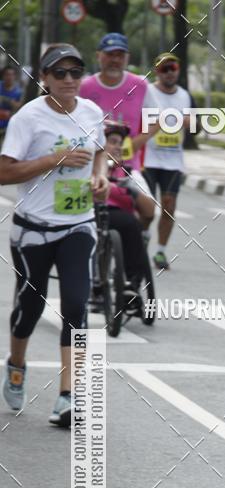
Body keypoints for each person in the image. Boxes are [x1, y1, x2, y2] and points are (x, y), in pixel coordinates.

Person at [0, 44, 108, 426]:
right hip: (33, 230)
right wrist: (52, 160)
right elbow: (4, 172)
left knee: (76, 306)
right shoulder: (27, 119)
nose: (68, 80)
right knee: (29, 308)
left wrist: (100, 176)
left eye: (75, 72)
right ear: (43, 79)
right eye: (58, 73)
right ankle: (16, 363)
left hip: (78, 224)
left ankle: (68, 396)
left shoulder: (92, 112)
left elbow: (100, 151)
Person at [142, 53, 192, 271]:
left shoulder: (184, 95)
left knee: (169, 207)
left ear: (178, 69)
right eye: (164, 69)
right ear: (156, 72)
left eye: (172, 67)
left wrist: (190, 121)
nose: (169, 72)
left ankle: (160, 251)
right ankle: (141, 242)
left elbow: (193, 125)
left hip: (173, 160)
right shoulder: (147, 92)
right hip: (148, 159)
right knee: (146, 209)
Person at [79, 33, 157, 170]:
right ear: (98, 56)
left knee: (143, 192)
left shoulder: (140, 85)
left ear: (127, 58)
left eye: (120, 55)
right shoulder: (83, 87)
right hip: (91, 167)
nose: (115, 60)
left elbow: (157, 121)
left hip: (128, 167)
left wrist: (132, 146)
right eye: (110, 54)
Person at [103, 121, 155, 307]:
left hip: (120, 220)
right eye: (112, 142)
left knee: (132, 225)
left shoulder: (129, 173)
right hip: (87, 217)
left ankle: (131, 284)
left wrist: (132, 189)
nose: (117, 147)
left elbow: (149, 212)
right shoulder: (84, 167)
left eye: (120, 143)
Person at [0, 65, 23, 139]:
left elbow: (18, 106)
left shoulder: (18, 91)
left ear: (15, 76)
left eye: (11, 74)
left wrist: (7, 100)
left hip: (8, 127)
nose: (9, 77)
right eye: (7, 74)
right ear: (3, 76)